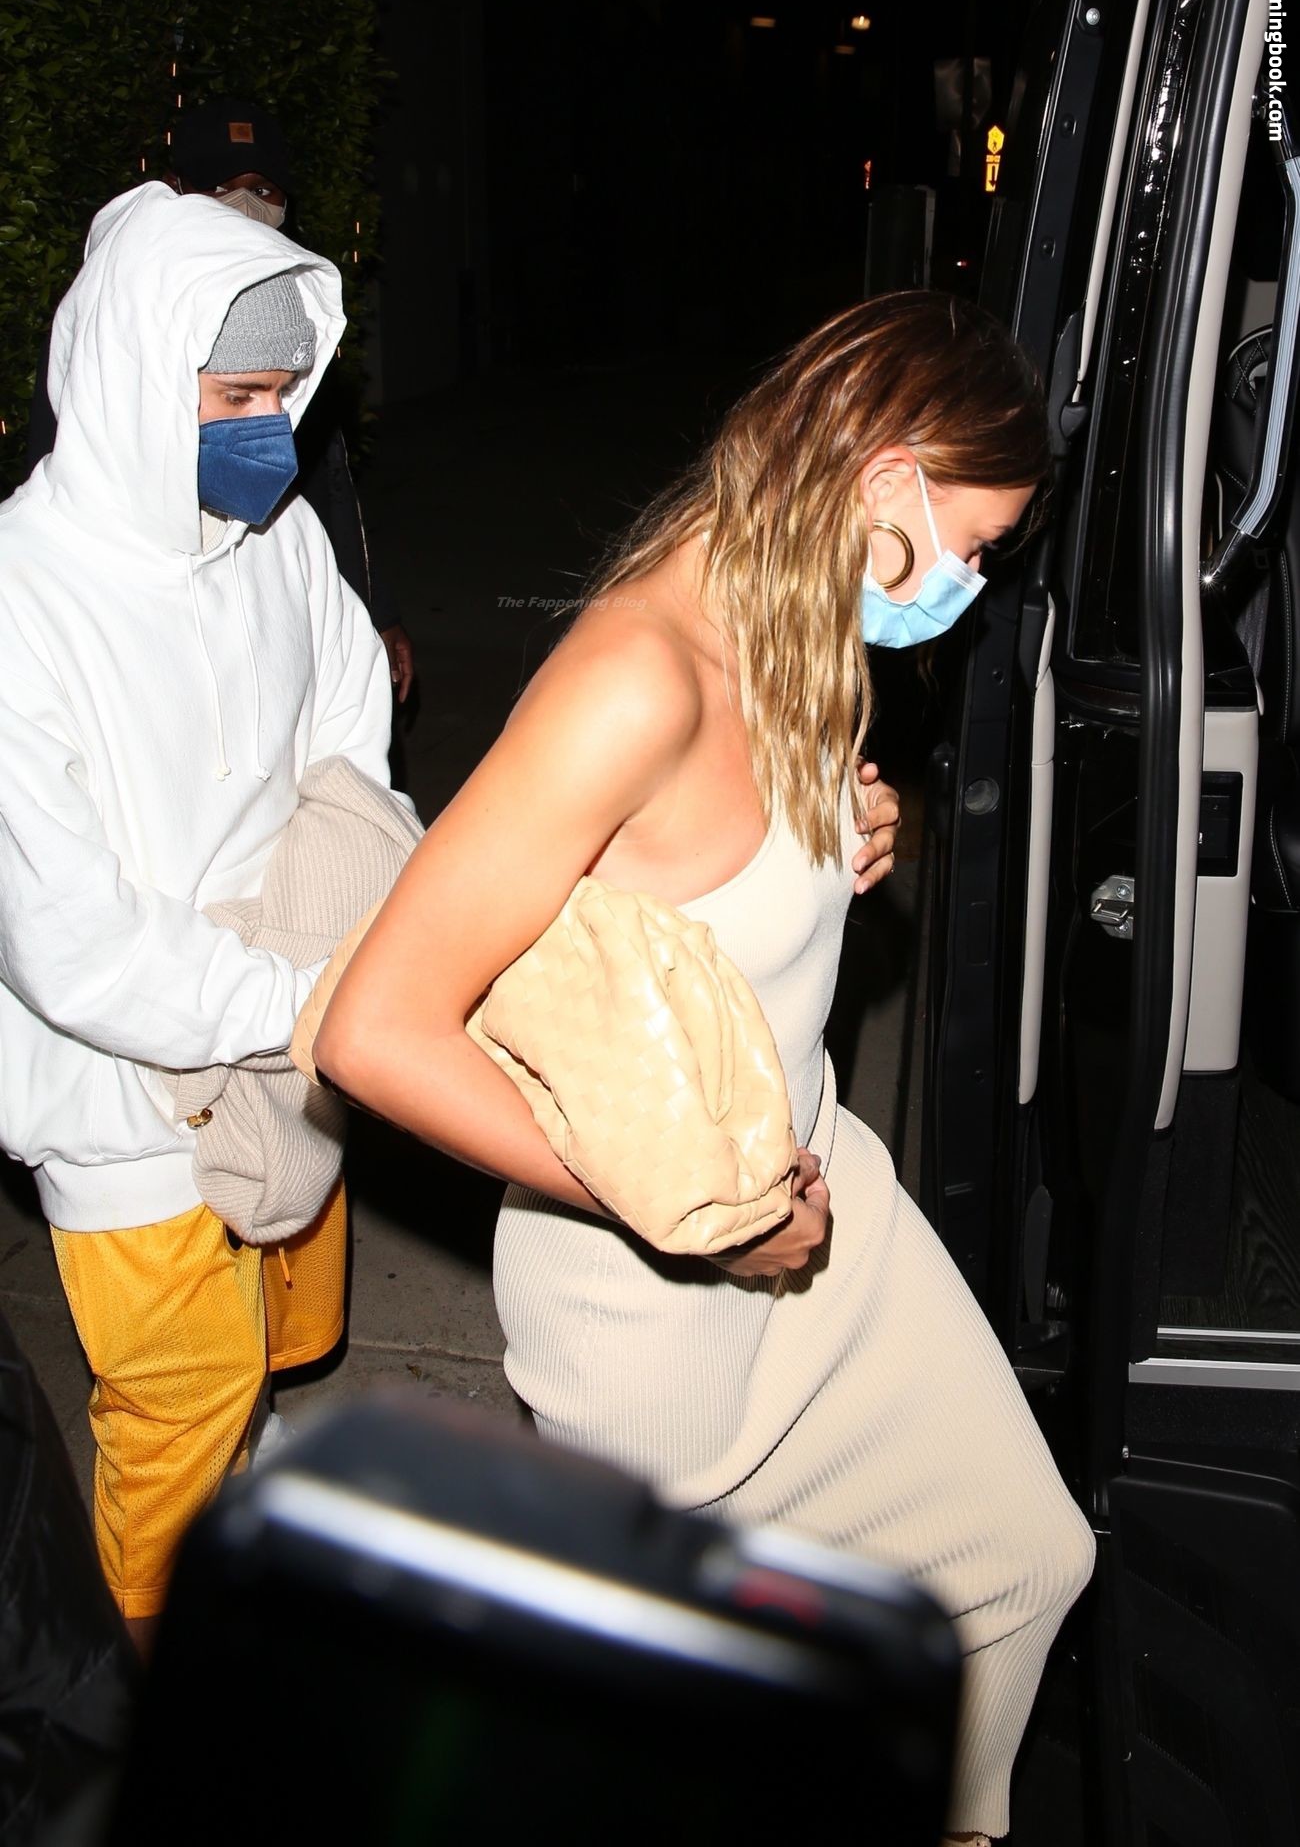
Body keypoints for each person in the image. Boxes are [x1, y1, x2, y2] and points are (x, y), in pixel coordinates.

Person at [311, 290, 1096, 1845]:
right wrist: (711, 1220)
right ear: (884, 482)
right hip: (654, 1300)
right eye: (976, 547)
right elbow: (373, 1027)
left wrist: (857, 820)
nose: (975, 587)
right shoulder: (638, 678)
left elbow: (728, 871)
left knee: (1020, 1557)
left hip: (823, 1194)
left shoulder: (804, 615)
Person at [0, 182, 397, 1649]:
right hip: (119, 1078)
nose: (269, 429)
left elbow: (348, 724)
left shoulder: (275, 536)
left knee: (283, 1324)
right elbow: (68, 939)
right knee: (179, 1396)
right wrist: (297, 997)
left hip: (289, 1010)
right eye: (237, 396)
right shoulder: (22, 600)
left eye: (286, 392)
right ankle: (147, 1698)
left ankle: (253, 1505)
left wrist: (334, 912)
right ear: (133, 377)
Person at [22, 93, 417, 706]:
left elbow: (329, 487)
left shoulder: (288, 310)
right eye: (222, 187)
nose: (246, 205)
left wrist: (373, 611)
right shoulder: (123, 316)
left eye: (263, 188)